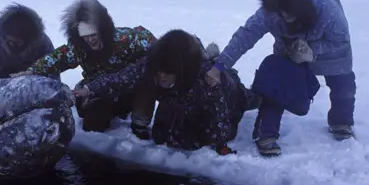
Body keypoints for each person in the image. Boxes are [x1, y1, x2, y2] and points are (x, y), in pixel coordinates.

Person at [204, 0, 356, 156]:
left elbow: (341, 41)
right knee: (275, 86)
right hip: (289, 51)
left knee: (343, 86)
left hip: (332, 54)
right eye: (282, 14)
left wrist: (312, 51)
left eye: (290, 15)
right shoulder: (270, 12)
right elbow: (245, 36)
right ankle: (265, 134)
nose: (285, 17)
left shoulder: (329, 12)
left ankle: (341, 123)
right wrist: (219, 67)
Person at [73, 29, 256, 154]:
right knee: (162, 137)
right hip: (178, 101)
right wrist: (89, 89)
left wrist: (220, 143)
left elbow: (220, 114)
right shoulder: (152, 64)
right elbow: (119, 79)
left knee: (191, 140)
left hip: (227, 96)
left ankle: (215, 59)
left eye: (168, 73)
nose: (162, 78)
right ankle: (206, 53)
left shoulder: (205, 80)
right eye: (159, 72)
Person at [11, 0, 157, 133]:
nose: (90, 40)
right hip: (95, 90)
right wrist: (32, 71)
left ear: (103, 30)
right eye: (85, 37)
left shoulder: (128, 40)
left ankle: (140, 124)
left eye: (93, 35)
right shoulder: (79, 48)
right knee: (93, 122)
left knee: (147, 82)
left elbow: (157, 48)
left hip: (128, 88)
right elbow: (58, 58)